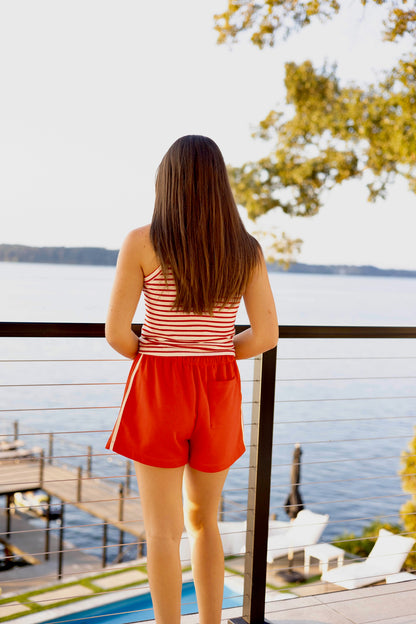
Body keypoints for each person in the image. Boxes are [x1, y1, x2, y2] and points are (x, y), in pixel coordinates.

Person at [105, 135, 278, 624]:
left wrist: (164, 355)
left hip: (159, 384)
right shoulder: (244, 249)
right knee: (206, 522)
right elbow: (264, 334)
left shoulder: (142, 242)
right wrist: (215, 353)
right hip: (218, 387)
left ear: (168, 183)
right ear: (220, 185)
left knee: (163, 531)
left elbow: (118, 335)